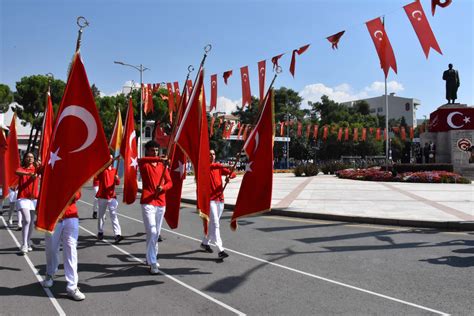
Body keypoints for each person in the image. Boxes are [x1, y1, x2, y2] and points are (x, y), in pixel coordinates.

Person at [42, 190, 85, 301]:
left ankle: (72, 286)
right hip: (53, 215)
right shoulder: (49, 172)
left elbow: (78, 192)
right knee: (51, 248)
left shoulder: (72, 172)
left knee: (71, 249)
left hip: (71, 215)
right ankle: (50, 273)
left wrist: (73, 194)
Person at [138, 140, 172, 275]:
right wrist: (161, 159)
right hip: (147, 201)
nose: (155, 153)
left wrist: (162, 187)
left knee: (155, 233)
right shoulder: (144, 163)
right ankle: (152, 262)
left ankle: (150, 257)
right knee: (152, 232)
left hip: (161, 202)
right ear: (147, 151)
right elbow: (140, 160)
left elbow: (170, 183)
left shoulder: (162, 166)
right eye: (152, 150)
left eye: (157, 150)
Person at [200, 149, 236, 259]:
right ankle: (221, 250)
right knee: (215, 224)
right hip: (209, 200)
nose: (212, 156)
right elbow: (214, 167)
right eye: (209, 154)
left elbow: (233, 173)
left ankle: (205, 243)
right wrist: (223, 166)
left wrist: (229, 177)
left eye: (213, 154)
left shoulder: (218, 168)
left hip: (220, 199)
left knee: (213, 224)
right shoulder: (204, 167)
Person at [15, 152, 41, 254]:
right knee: (26, 220)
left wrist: (40, 165)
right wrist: (29, 174)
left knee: (30, 223)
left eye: (32, 157)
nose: (30, 158)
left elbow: (46, 170)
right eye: (28, 157)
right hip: (23, 198)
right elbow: (17, 171)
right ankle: (24, 244)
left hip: (34, 199)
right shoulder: (22, 168)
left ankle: (28, 241)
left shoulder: (37, 169)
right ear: (25, 158)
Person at [96, 158, 123, 243]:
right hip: (102, 197)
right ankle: (100, 232)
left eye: (111, 160)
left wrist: (117, 178)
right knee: (101, 216)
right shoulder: (102, 170)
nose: (109, 161)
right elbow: (97, 176)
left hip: (112, 197)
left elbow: (118, 183)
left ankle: (117, 234)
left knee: (114, 215)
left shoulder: (114, 170)